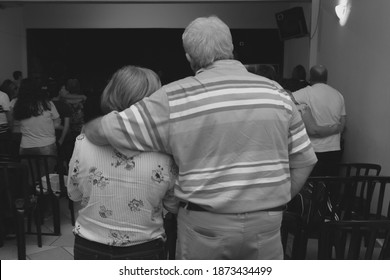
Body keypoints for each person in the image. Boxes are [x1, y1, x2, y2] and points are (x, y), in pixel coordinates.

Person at [84, 16, 317, 260]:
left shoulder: (174, 98)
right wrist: (273, 201)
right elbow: (305, 160)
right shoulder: (277, 93)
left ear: (189, 58)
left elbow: (104, 131)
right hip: (267, 224)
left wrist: (88, 128)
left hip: (204, 226)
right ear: (231, 48)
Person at [67, 65, 178, 260]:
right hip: (144, 248)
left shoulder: (83, 143)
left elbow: (74, 193)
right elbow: (172, 203)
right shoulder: (165, 150)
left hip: (90, 247)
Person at [292, 65, 346, 176]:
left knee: (314, 187)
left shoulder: (306, 92)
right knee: (329, 185)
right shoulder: (338, 94)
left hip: (314, 149)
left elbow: (286, 99)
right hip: (334, 149)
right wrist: (335, 129)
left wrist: (302, 110)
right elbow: (343, 122)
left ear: (310, 78)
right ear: (326, 78)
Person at [12, 78, 60, 157]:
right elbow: (57, 122)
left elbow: (16, 128)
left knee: (29, 169)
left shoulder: (18, 105)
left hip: (26, 146)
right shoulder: (47, 103)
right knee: (47, 169)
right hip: (47, 145)